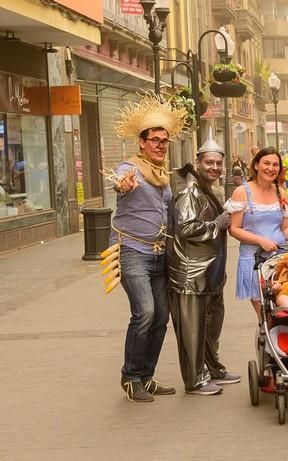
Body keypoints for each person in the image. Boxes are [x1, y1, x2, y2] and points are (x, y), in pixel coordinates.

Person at [110, 94, 186, 402]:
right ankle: (130, 378)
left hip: (159, 256)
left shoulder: (163, 175)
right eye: (154, 140)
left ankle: (146, 376)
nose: (159, 145)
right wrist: (122, 184)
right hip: (132, 252)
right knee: (144, 312)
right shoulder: (130, 168)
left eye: (164, 141)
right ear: (141, 142)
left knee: (161, 317)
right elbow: (118, 181)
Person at [167, 134, 241, 396]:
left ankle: (212, 368)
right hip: (191, 274)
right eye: (209, 163)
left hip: (210, 273)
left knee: (211, 325)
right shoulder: (189, 191)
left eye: (219, 164)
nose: (215, 168)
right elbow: (186, 228)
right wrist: (216, 225)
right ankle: (195, 379)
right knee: (193, 330)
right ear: (197, 162)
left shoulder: (204, 189)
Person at [227, 147, 288, 319]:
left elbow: (285, 227)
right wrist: (261, 241)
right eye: (266, 163)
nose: (271, 168)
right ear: (256, 165)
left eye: (275, 164)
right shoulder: (242, 192)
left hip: (279, 258)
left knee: (286, 312)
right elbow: (234, 228)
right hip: (254, 261)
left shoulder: (280, 192)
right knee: (267, 317)